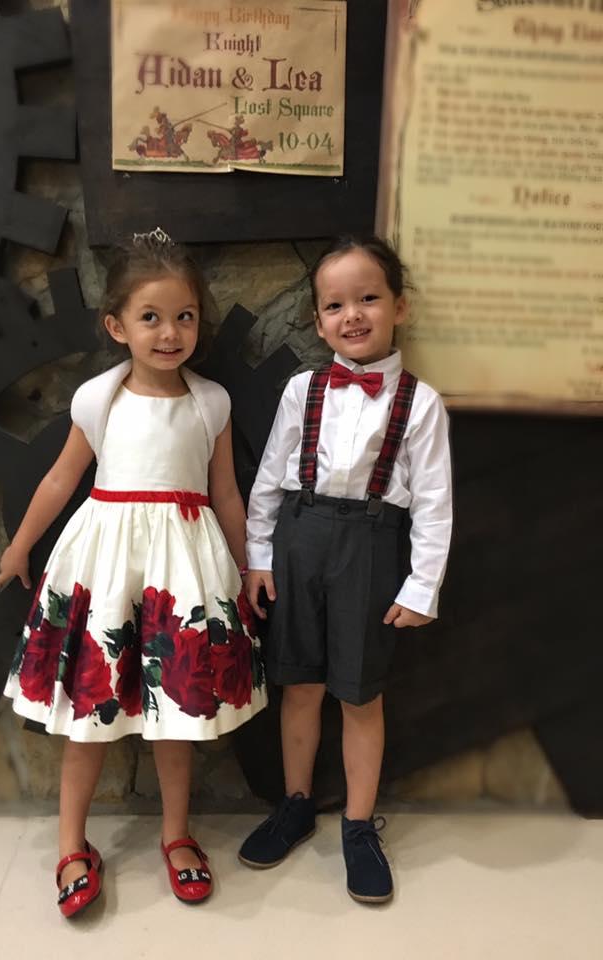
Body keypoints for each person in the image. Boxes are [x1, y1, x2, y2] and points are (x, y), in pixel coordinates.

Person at [0, 228, 266, 917]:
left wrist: (246, 564)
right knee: (88, 714)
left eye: (184, 316)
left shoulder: (210, 403)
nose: (169, 332)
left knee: (175, 714)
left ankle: (176, 834)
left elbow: (226, 493)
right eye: (151, 317)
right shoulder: (99, 399)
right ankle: (70, 843)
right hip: (108, 566)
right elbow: (61, 479)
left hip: (184, 569)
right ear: (117, 326)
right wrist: (20, 545)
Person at [238, 235, 452, 904]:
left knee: (360, 694)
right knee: (299, 685)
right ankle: (296, 803)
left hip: (372, 548)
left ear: (399, 307)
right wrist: (259, 557)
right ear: (318, 319)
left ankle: (358, 826)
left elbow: (435, 503)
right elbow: (268, 481)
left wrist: (422, 585)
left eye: (368, 299)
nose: (352, 315)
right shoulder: (301, 390)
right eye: (335, 305)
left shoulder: (420, 403)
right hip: (300, 541)